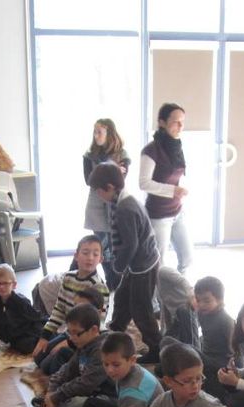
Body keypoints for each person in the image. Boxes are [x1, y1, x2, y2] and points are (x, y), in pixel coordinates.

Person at [88, 163, 164, 364]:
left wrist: (119, 267)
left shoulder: (125, 208)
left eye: (99, 191)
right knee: (122, 297)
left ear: (111, 187)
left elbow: (131, 244)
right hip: (138, 262)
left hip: (143, 264)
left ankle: (156, 347)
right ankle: (115, 332)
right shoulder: (122, 200)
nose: (98, 195)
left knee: (141, 308)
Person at [32, 234, 109, 363]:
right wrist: (44, 337)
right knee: (39, 358)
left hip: (85, 338)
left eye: (95, 254)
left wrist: (68, 343)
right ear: (76, 255)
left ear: (101, 259)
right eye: (85, 253)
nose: (90, 258)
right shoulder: (68, 278)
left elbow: (97, 324)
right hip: (70, 333)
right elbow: (59, 309)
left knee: (51, 364)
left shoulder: (99, 286)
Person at [40, 303, 114, 407]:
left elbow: (86, 384)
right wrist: (52, 391)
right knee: (49, 396)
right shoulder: (83, 345)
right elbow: (66, 370)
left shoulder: (102, 349)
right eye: (69, 333)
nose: (72, 338)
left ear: (94, 330)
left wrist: (56, 397)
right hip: (88, 394)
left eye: (76, 333)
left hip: (106, 396)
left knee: (75, 404)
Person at [141, 102, 193, 273]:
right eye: (175, 121)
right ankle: (159, 298)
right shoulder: (151, 150)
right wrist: (172, 191)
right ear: (162, 122)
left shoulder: (177, 145)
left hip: (177, 211)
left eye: (182, 122)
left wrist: (179, 190)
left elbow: (177, 174)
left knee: (187, 258)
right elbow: (144, 183)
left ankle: (179, 292)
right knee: (159, 263)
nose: (180, 126)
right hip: (158, 215)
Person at [83, 118, 131, 289]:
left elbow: (120, 181)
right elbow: (89, 180)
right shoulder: (89, 155)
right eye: (94, 132)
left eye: (99, 132)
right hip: (96, 202)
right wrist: (111, 168)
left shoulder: (123, 155)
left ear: (109, 134)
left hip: (115, 203)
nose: (96, 136)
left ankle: (114, 281)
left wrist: (107, 172)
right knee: (99, 243)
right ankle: (83, 275)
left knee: (115, 244)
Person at [34, 286, 106, 375]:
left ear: (98, 313)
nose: (77, 311)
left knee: (49, 363)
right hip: (69, 336)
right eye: (75, 306)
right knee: (39, 357)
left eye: (83, 308)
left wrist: (67, 343)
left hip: (75, 344)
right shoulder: (73, 325)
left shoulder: (98, 332)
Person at [0, 263, 44, 356]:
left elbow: (36, 318)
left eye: (5, 283)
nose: (1, 287)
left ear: (14, 285)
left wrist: (41, 337)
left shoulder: (21, 301)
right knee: (18, 345)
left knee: (26, 346)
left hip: (24, 332)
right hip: (6, 334)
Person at [194, 276, 235, 399]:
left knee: (189, 349)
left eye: (206, 301)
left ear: (220, 300)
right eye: (198, 300)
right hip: (206, 355)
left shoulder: (226, 320)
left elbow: (236, 352)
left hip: (220, 362)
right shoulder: (202, 313)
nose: (201, 304)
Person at [158, 266, 200, 348]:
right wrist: (164, 330)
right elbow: (165, 308)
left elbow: (183, 281)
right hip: (177, 318)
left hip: (188, 310)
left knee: (190, 344)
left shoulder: (163, 271)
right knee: (165, 341)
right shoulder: (156, 284)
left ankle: (195, 356)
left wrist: (192, 298)